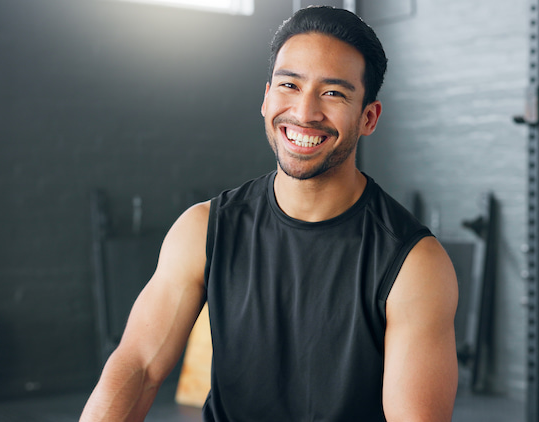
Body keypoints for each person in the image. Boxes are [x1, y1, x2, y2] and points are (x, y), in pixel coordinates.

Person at [80, 6, 458, 422]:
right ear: (266, 98)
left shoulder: (413, 263)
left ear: (368, 117)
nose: (305, 111)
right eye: (289, 85)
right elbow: (138, 366)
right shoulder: (204, 229)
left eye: (333, 93)